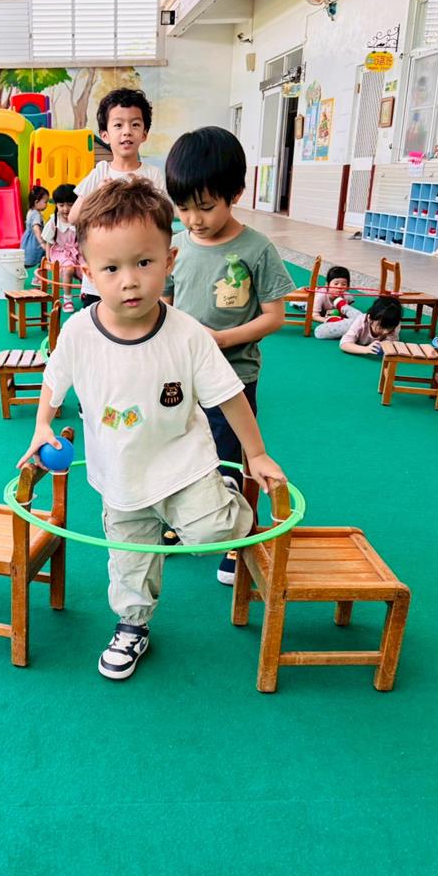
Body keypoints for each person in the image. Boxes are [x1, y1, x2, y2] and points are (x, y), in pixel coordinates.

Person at [17, 177, 286, 681]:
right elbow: (55, 380)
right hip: (119, 475)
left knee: (215, 529)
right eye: (111, 268)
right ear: (87, 272)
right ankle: (132, 625)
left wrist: (256, 454)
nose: (130, 281)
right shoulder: (78, 333)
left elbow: (229, 394)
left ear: (170, 260)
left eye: (144, 263)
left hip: (183, 465)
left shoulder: (187, 334)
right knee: (130, 560)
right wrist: (42, 426)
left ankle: (227, 498)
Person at [163, 126, 293, 584]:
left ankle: (238, 539)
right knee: (181, 451)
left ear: (235, 194)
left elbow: (275, 316)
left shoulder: (256, 249)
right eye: (183, 208)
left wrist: (220, 340)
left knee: (232, 461)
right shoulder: (176, 245)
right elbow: (164, 304)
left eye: (205, 206)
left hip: (233, 377)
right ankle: (182, 520)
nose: (193, 219)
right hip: (182, 378)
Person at [69, 88, 165, 309]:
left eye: (135, 124)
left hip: (139, 276)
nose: (127, 132)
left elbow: (163, 220)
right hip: (100, 278)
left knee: (136, 324)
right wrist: (99, 196)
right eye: (118, 125)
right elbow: (73, 217)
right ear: (105, 135)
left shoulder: (152, 175)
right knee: (96, 324)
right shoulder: (100, 172)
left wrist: (142, 197)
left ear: (144, 134)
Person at [41, 183, 81, 313]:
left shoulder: (79, 220)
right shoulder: (54, 221)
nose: (65, 209)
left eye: (70, 205)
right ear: (56, 205)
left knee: (87, 269)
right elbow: (48, 242)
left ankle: (86, 292)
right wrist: (48, 259)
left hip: (77, 250)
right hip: (61, 252)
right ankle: (67, 299)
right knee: (68, 269)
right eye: (61, 205)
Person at [313, 265, 363, 340]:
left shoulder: (347, 297)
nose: (339, 287)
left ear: (348, 286)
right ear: (327, 284)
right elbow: (314, 316)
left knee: (349, 298)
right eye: (336, 284)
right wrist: (328, 320)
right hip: (311, 301)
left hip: (332, 311)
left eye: (344, 284)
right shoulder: (321, 297)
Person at [21, 185, 49, 269]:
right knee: (40, 259)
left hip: (27, 240)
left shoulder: (31, 211)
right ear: (36, 202)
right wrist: (42, 242)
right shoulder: (36, 214)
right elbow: (36, 228)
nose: (47, 205)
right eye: (45, 202)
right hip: (34, 242)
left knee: (29, 260)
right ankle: (38, 273)